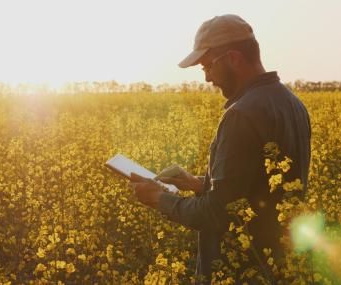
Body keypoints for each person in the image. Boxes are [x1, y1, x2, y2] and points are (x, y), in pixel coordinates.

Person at [130, 14, 311, 284]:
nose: (206, 78)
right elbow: (257, 189)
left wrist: (159, 198)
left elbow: (215, 214)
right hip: (278, 264)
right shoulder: (292, 103)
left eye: (207, 66)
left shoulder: (242, 114)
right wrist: (198, 183)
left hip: (241, 269)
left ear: (234, 59)